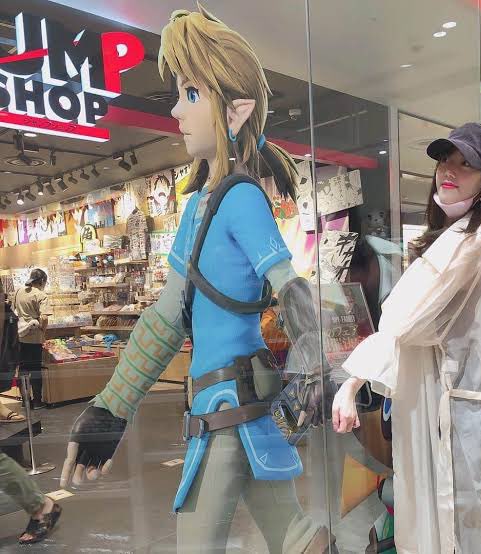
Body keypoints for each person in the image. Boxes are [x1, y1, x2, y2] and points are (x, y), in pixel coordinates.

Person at [60, 6, 336, 553]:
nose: (176, 111)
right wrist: (111, 408)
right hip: (233, 407)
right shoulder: (199, 208)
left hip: (227, 409)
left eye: (191, 94)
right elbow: (167, 318)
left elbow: (289, 285)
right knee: (296, 538)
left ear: (236, 111)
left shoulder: (240, 199)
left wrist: (312, 362)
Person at [332, 122, 481, 554]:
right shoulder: (448, 240)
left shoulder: (471, 244)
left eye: (465, 164)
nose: (449, 171)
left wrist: (351, 383)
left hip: (454, 415)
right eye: (445, 160)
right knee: (439, 522)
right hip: (435, 408)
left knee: (460, 527)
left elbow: (404, 318)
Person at [0, 279, 62, 544]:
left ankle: (40, 507)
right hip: (31, 340)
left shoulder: (18, 294)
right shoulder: (32, 295)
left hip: (27, 341)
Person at [14, 268, 51, 409]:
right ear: (42, 281)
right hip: (34, 337)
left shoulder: (18, 291)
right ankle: (37, 401)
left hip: (20, 334)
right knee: (35, 369)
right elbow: (44, 317)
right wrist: (43, 330)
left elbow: (14, 311)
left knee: (23, 369)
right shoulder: (41, 295)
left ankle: (25, 401)